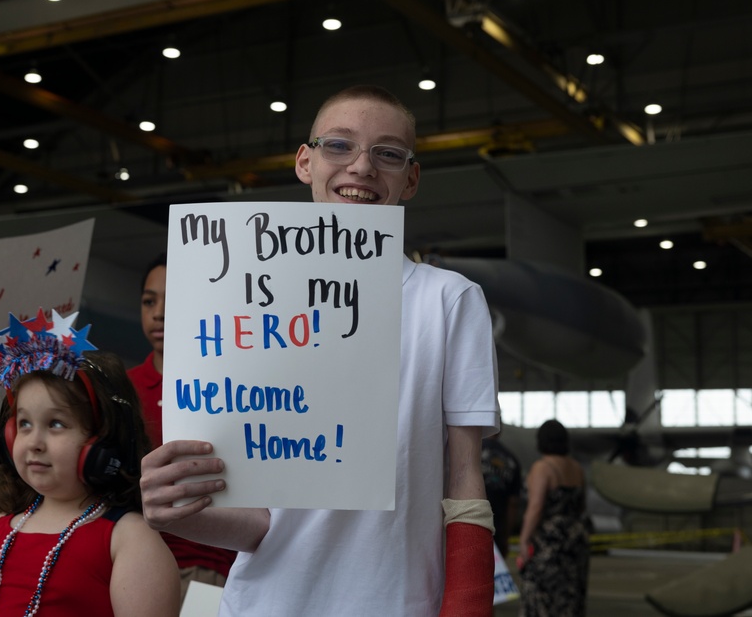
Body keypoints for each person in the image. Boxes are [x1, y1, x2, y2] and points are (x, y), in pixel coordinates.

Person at [139, 85, 500, 616]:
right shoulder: (241, 300)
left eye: (388, 153)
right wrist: (176, 512)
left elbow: (465, 474)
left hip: (399, 602)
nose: (361, 166)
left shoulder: (447, 300)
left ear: (411, 177)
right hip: (266, 601)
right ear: (305, 162)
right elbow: (265, 522)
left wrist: (468, 601)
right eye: (339, 145)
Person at [0, 312, 178, 617]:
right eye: (24, 423)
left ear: (103, 440)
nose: (34, 441)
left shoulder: (130, 538)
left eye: (56, 423)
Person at [127, 253, 237, 599]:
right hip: (135, 563)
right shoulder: (121, 390)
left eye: (173, 300)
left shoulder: (231, 385)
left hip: (212, 565)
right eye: (149, 301)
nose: (158, 312)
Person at [517, 419, 590, 617]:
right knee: (570, 598)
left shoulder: (542, 468)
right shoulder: (577, 468)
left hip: (550, 543)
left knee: (542, 598)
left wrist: (524, 540)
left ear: (541, 441)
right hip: (576, 541)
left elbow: (536, 506)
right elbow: (582, 506)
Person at [482, 427, 522, 557]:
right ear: (499, 429)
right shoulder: (512, 460)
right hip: (498, 528)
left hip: (473, 523)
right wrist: (506, 536)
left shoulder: (472, 451)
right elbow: (513, 503)